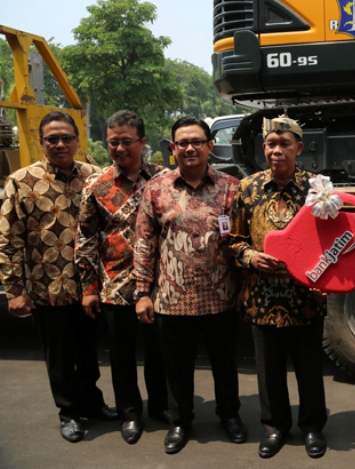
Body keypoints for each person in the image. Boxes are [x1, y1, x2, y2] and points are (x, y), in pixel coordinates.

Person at [0, 111, 117, 443]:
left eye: (66, 137)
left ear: (78, 141)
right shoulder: (21, 181)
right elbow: (9, 240)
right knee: (60, 358)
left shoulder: (96, 177)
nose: (60, 144)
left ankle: (92, 405)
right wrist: (14, 291)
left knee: (88, 352)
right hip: (47, 288)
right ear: (41, 142)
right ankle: (69, 413)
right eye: (52, 138)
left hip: (92, 287)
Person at [133, 116, 246, 454]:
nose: (190, 148)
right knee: (176, 368)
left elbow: (243, 239)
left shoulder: (231, 187)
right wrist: (142, 292)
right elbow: (144, 242)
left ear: (210, 145)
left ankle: (230, 416)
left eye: (197, 141)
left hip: (222, 296)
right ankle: (180, 421)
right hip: (171, 297)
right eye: (182, 142)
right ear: (172, 148)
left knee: (226, 363)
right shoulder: (156, 188)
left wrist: (245, 285)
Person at [229, 117, 329, 460]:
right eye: (271, 143)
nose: (276, 150)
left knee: (309, 368)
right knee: (269, 371)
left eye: (284, 143)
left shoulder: (318, 189)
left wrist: (325, 280)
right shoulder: (248, 188)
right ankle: (274, 427)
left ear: (299, 148)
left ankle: (313, 427)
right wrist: (252, 258)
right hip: (262, 298)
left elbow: (332, 240)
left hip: (305, 297)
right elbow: (235, 240)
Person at [75, 110, 169, 445]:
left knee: (159, 351)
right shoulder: (96, 184)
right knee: (121, 354)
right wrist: (88, 288)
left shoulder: (163, 179)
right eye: (113, 142)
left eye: (126, 141)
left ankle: (160, 406)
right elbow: (85, 238)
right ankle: (130, 414)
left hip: (159, 285)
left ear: (142, 142)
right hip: (114, 285)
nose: (119, 148)